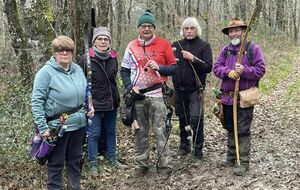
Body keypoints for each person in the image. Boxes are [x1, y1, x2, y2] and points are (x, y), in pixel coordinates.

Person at [120, 10, 177, 179]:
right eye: (143, 26)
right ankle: (141, 164)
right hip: (137, 96)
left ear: (154, 28)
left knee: (160, 131)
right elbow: (123, 70)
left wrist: (160, 68)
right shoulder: (131, 46)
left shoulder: (163, 44)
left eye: (149, 26)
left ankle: (164, 166)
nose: (146, 29)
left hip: (158, 94)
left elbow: (174, 67)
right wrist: (130, 88)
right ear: (138, 28)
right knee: (140, 132)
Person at [32, 35, 94, 190]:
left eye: (67, 50)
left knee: (75, 160)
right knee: (56, 163)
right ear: (54, 53)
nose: (64, 53)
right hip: (58, 127)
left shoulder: (78, 69)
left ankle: (75, 186)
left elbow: (86, 90)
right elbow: (37, 101)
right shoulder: (45, 73)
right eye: (60, 50)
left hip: (79, 124)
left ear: (72, 52)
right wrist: (42, 127)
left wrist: (89, 106)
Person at [213, 17, 266, 176]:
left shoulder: (252, 49)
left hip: (244, 98)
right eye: (231, 31)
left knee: (242, 129)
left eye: (237, 30)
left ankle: (243, 161)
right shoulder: (225, 50)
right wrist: (228, 72)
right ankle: (231, 156)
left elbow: (260, 70)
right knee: (229, 127)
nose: (234, 33)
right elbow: (216, 68)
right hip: (227, 98)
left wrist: (245, 70)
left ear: (243, 31)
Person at [78, 26, 127, 173]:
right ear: (94, 41)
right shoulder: (85, 58)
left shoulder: (113, 57)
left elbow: (113, 78)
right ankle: (93, 163)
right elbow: (79, 80)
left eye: (106, 39)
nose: (103, 41)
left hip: (112, 101)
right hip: (94, 103)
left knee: (111, 131)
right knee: (94, 133)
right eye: (100, 39)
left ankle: (112, 158)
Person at [172, 17, 213, 165]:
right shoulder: (175, 45)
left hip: (195, 90)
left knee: (196, 119)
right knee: (183, 118)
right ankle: (184, 145)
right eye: (186, 29)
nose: (189, 31)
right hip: (178, 89)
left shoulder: (204, 46)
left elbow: (208, 67)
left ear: (197, 30)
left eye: (192, 28)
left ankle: (197, 151)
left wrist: (193, 58)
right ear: (182, 30)